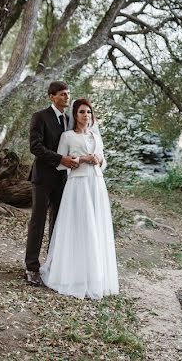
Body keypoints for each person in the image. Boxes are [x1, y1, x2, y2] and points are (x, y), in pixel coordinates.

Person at [40, 98, 119, 299]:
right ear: (75, 115)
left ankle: (94, 275)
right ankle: (72, 274)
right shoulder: (67, 137)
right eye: (82, 112)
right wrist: (83, 159)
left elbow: (103, 161)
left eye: (89, 112)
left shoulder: (96, 137)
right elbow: (60, 163)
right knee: (79, 227)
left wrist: (99, 160)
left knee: (96, 227)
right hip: (78, 185)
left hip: (97, 185)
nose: (86, 116)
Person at [24, 80, 79, 286]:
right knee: (37, 222)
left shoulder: (69, 120)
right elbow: (35, 147)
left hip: (63, 180)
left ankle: (52, 265)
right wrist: (60, 159)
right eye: (63, 94)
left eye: (68, 93)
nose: (67, 97)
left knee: (57, 224)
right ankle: (31, 267)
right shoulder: (40, 117)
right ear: (52, 96)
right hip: (43, 179)